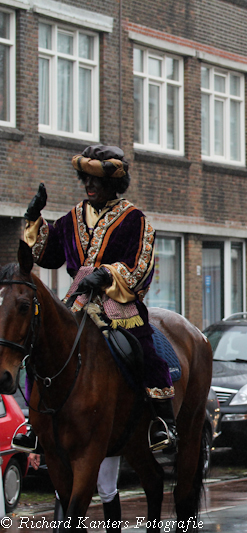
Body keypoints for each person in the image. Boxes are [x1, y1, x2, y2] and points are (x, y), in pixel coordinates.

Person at [14, 145, 176, 454]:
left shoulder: (135, 219)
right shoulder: (72, 217)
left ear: (112, 183)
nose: (89, 186)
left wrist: (105, 276)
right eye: (85, 179)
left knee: (142, 348)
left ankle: (162, 420)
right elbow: (47, 255)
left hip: (117, 301)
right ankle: (34, 425)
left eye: (96, 181)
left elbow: (140, 265)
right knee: (41, 348)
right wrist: (34, 216)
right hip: (76, 299)